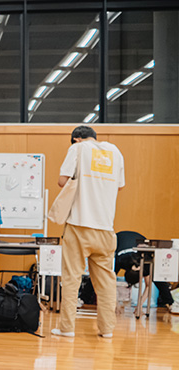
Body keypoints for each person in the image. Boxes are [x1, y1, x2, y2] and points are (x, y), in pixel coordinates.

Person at [52, 126, 125, 338]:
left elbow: (62, 181)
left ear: (76, 139)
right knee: (106, 283)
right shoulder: (115, 152)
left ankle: (67, 328)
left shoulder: (79, 148)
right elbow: (120, 186)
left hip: (79, 224)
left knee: (72, 278)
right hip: (106, 228)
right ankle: (107, 330)